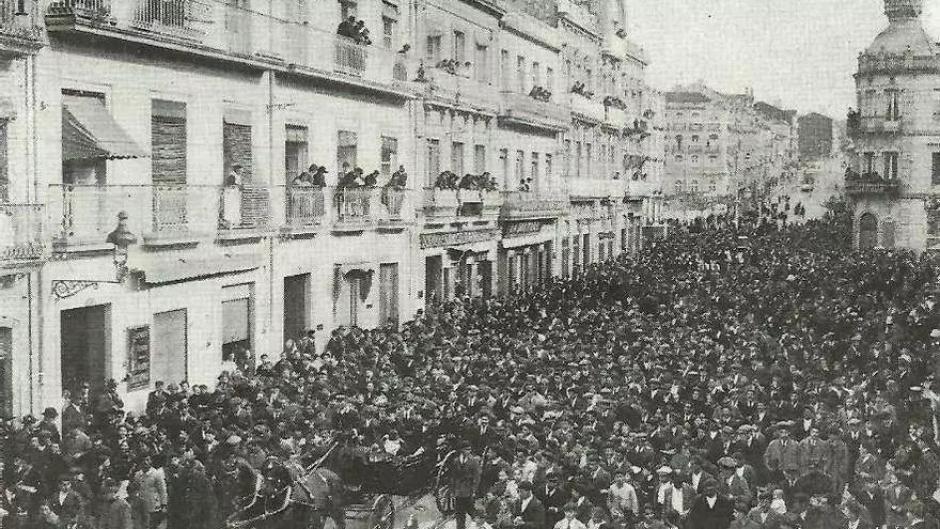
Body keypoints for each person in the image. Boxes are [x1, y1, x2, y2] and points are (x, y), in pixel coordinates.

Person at [449, 442, 482, 529]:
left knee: (471, 511)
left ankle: (480, 525)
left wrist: (474, 490)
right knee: (459, 513)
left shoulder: (473, 462)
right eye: (467, 449)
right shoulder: (456, 461)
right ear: (461, 450)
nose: (469, 451)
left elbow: (477, 477)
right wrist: (452, 491)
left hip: (468, 490)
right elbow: (453, 477)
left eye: (470, 450)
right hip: (458, 490)